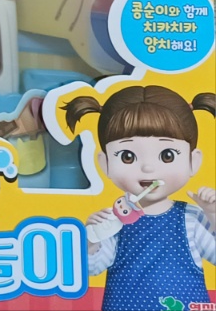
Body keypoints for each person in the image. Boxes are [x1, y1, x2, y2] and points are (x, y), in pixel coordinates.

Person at [65, 85, 216, 309]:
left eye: (167, 155)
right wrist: (91, 240)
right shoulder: (113, 220)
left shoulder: (191, 218)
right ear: (105, 163)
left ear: (193, 161)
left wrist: (212, 214)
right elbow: (92, 268)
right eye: (127, 156)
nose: (147, 168)